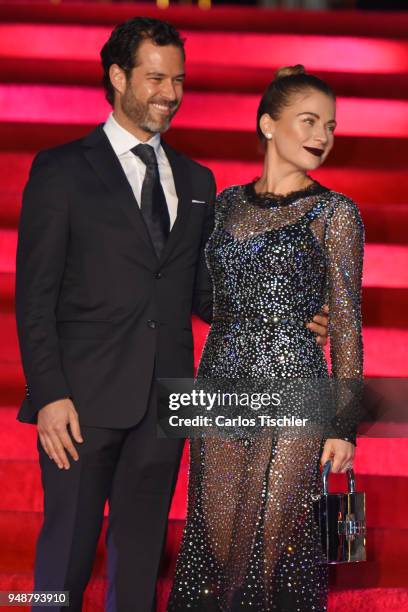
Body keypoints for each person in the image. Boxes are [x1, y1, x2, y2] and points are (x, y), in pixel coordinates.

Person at [15, 16, 329, 611]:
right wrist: (50, 394)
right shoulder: (60, 171)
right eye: (156, 78)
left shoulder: (196, 179)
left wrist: (285, 312)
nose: (170, 93)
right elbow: (35, 296)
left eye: (178, 80)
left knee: (137, 567)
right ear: (117, 76)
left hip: (163, 404)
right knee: (65, 559)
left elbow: (205, 294)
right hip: (80, 404)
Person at [168, 65, 364, 611]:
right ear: (268, 125)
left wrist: (344, 424)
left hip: (297, 386)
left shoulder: (337, 214)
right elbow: (204, 294)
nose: (322, 136)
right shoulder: (224, 204)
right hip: (223, 380)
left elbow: (347, 322)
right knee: (220, 542)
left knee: (262, 548)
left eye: (329, 125)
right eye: (309, 121)